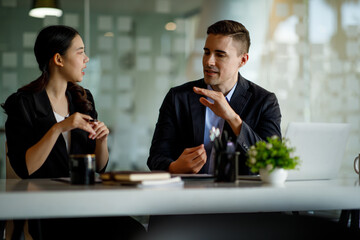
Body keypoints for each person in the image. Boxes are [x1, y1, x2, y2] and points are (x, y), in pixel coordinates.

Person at [2, 25, 145, 240]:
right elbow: (25, 168)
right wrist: (59, 127)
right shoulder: (22, 103)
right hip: (47, 208)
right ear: (58, 59)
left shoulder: (83, 99)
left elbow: (99, 166)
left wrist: (102, 140)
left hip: (85, 202)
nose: (86, 59)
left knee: (136, 232)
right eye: (80, 52)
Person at [147, 20, 282, 175]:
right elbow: (156, 157)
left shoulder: (265, 102)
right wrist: (174, 168)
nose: (209, 61)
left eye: (220, 55)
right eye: (206, 52)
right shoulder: (178, 98)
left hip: (241, 196)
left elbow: (273, 161)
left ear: (243, 60)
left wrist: (232, 118)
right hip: (188, 195)